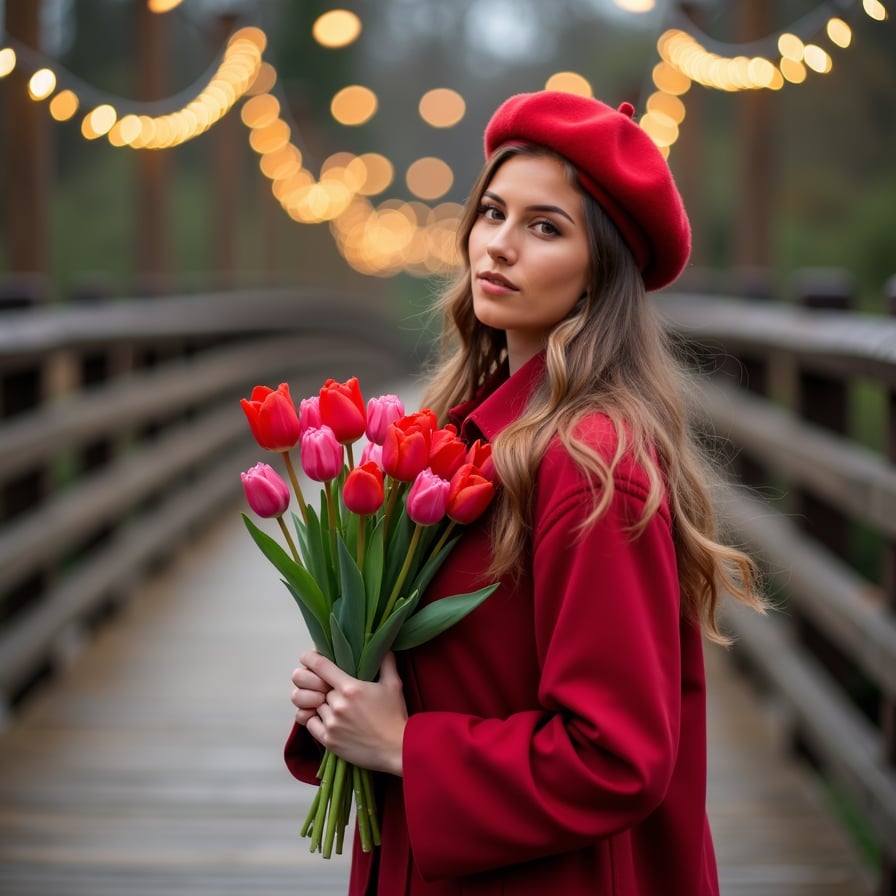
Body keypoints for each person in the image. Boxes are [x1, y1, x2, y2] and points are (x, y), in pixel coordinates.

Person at [286, 90, 764, 895]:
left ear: (597, 275)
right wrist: (349, 681)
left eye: (545, 227)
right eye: (493, 213)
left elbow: (615, 755)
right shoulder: (459, 435)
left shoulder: (592, 465)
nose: (498, 246)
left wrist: (406, 746)